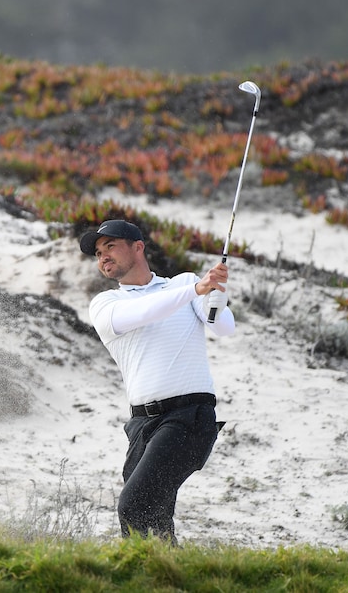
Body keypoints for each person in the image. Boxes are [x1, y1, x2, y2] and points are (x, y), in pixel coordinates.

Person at [79, 219, 235, 543]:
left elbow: (223, 328)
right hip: (141, 426)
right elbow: (143, 312)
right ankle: (166, 575)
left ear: (138, 247)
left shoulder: (183, 284)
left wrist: (215, 297)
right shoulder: (106, 304)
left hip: (189, 418)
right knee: (155, 519)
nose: (102, 256)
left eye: (110, 246)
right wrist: (196, 290)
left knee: (134, 506)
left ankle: (139, 577)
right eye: (97, 252)